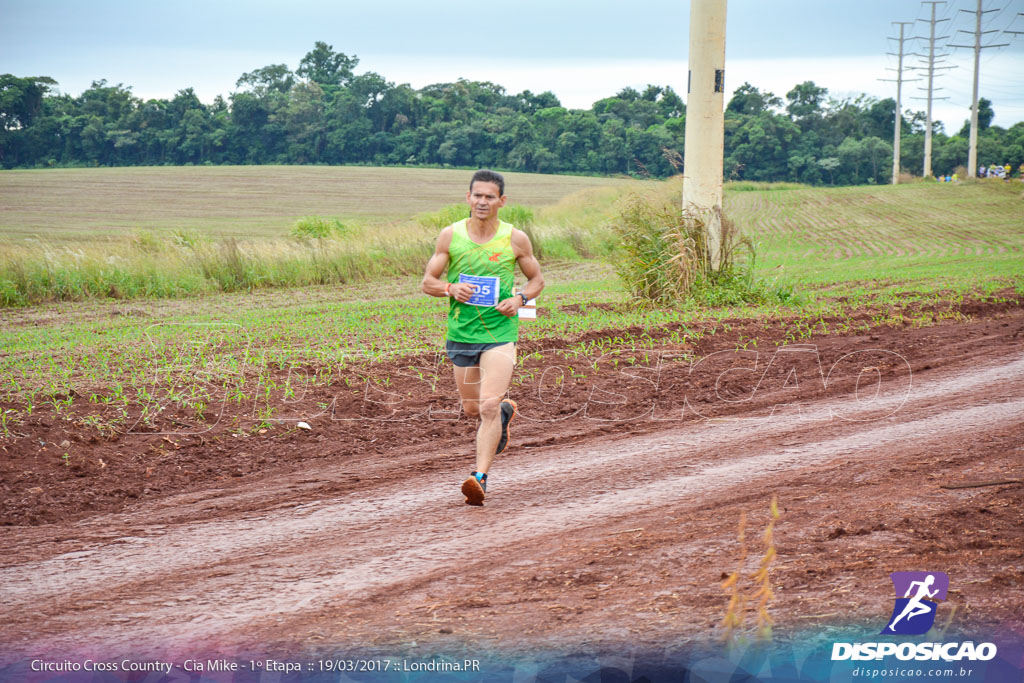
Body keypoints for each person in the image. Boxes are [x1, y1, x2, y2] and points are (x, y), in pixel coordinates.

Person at [421, 169, 545, 506]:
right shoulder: (450, 236)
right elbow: (428, 282)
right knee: (473, 408)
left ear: (501, 201)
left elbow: (536, 281)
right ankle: (504, 415)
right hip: (462, 334)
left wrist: (520, 299)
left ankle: (480, 478)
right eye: (477, 195)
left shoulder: (515, 238)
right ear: (468, 197)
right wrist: (450, 287)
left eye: (490, 196)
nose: (482, 201)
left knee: (488, 405)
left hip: (500, 334)